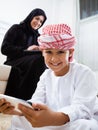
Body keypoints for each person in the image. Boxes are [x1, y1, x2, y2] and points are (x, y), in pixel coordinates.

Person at [0, 23, 98, 130]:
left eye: (60, 52)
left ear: (70, 52)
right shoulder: (45, 75)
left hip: (73, 119)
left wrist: (55, 118)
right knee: (17, 119)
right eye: (49, 52)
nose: (54, 59)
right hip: (49, 118)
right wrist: (17, 110)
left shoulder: (84, 72)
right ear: (42, 52)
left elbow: (82, 108)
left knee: (86, 126)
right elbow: (37, 101)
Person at [1, 8, 47, 100]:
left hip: (30, 62)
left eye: (41, 21)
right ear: (31, 17)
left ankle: (39, 99)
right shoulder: (16, 28)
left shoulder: (38, 37)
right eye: (37, 18)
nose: (38, 23)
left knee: (43, 60)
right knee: (39, 60)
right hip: (14, 61)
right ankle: (25, 99)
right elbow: (4, 48)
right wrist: (26, 50)